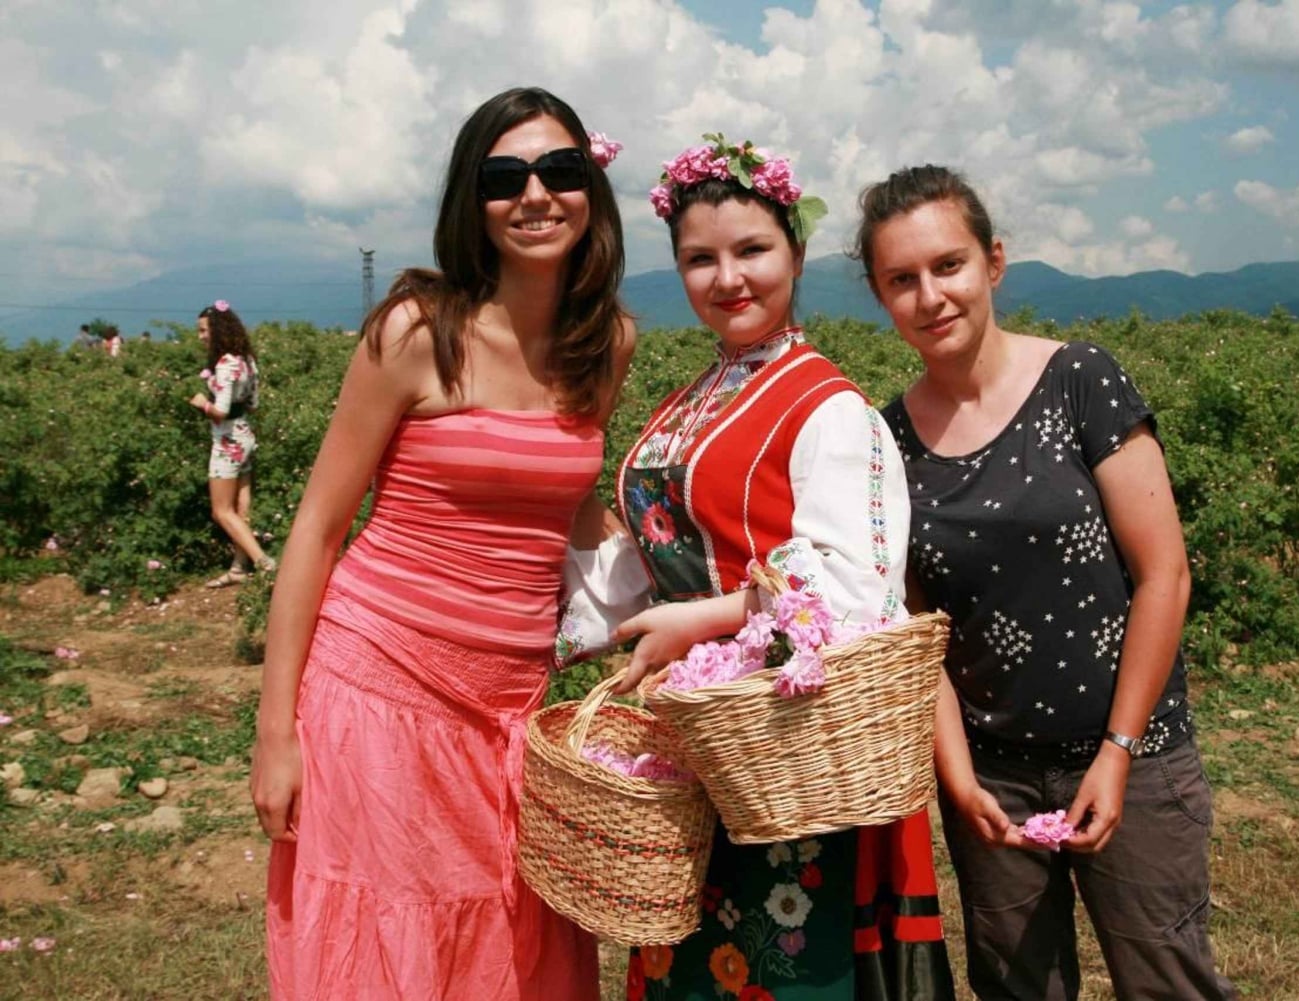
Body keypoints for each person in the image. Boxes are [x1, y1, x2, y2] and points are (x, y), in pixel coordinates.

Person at [249, 87, 633, 1000]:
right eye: (506, 177)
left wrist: (688, 604)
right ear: (475, 199)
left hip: (510, 711)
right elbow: (318, 525)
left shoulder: (602, 345)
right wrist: (276, 732)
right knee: (391, 951)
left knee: (504, 948)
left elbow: (573, 509)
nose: (535, 195)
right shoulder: (419, 332)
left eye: (560, 170)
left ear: (591, 191)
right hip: (381, 690)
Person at [557, 136, 954, 1001]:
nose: (727, 277)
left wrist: (701, 621)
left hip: (788, 746)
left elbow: (851, 596)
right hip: (702, 743)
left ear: (796, 253)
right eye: (700, 259)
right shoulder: (701, 393)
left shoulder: (829, 407)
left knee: (781, 965)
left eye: (752, 250)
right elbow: (652, 565)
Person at [853, 164, 1237, 1000]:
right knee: (1019, 984)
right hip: (993, 779)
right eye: (902, 280)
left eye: (948, 265)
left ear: (993, 262)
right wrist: (958, 782)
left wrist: (1118, 752)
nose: (930, 295)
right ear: (882, 298)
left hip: (1137, 758)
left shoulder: (1080, 380)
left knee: (1168, 978)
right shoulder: (888, 443)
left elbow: (1163, 573)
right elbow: (920, 632)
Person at [189, 302, 275, 587]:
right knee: (242, 507)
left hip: (227, 441)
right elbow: (253, 404)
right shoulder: (247, 360)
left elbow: (221, 410)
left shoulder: (225, 364)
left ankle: (264, 564)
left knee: (221, 510)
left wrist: (203, 404)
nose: (201, 336)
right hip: (245, 435)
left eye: (203, 330)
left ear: (217, 330)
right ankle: (239, 567)